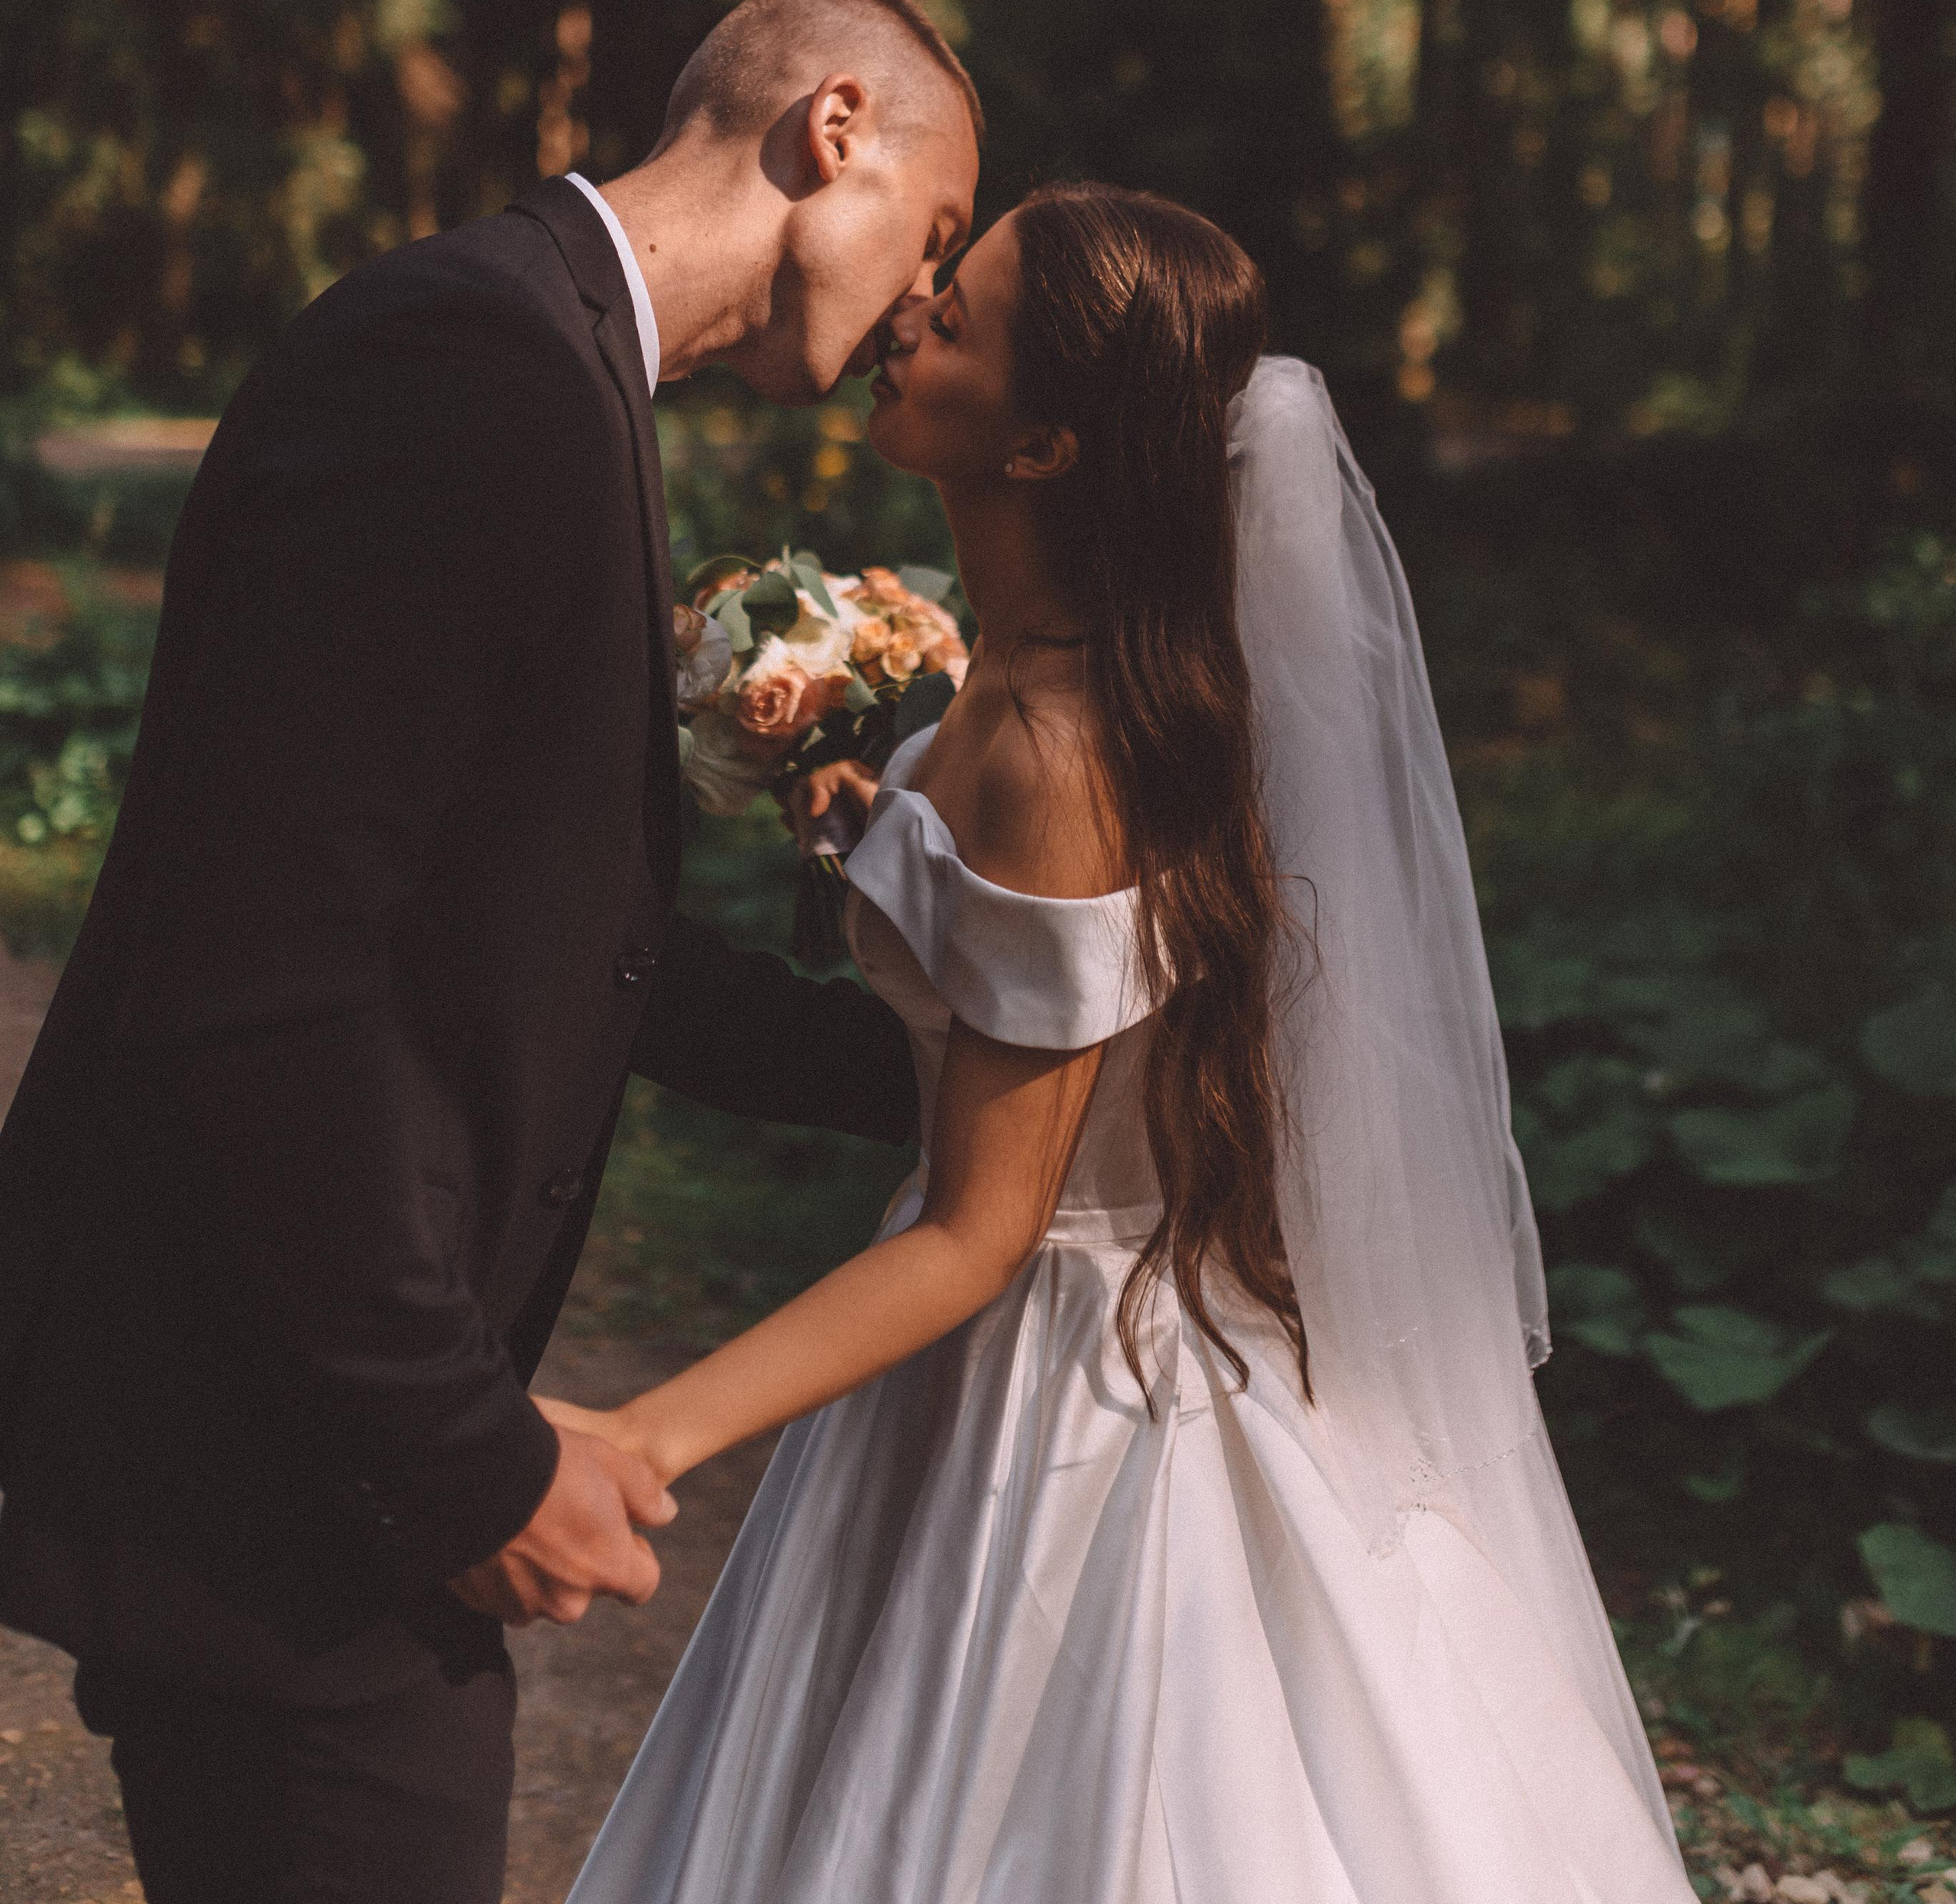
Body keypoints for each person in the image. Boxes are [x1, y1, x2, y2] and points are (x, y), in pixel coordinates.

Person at [557, 181, 1696, 1904]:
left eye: (956, 317)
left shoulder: (1054, 750)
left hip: (1061, 1393)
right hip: (1038, 1344)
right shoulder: (1000, 682)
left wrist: (644, 1442)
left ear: (1041, 450)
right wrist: (855, 813)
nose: (907, 309)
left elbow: (981, 1227)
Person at [0, 0, 981, 1904]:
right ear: (833, 128)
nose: (926, 303)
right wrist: (458, 1454)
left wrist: (980, 1075)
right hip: (274, 1443)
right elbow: (265, 976)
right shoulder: (470, 369)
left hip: (297, 1439)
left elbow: (549, 938)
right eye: (935, 234)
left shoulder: (544, 365)